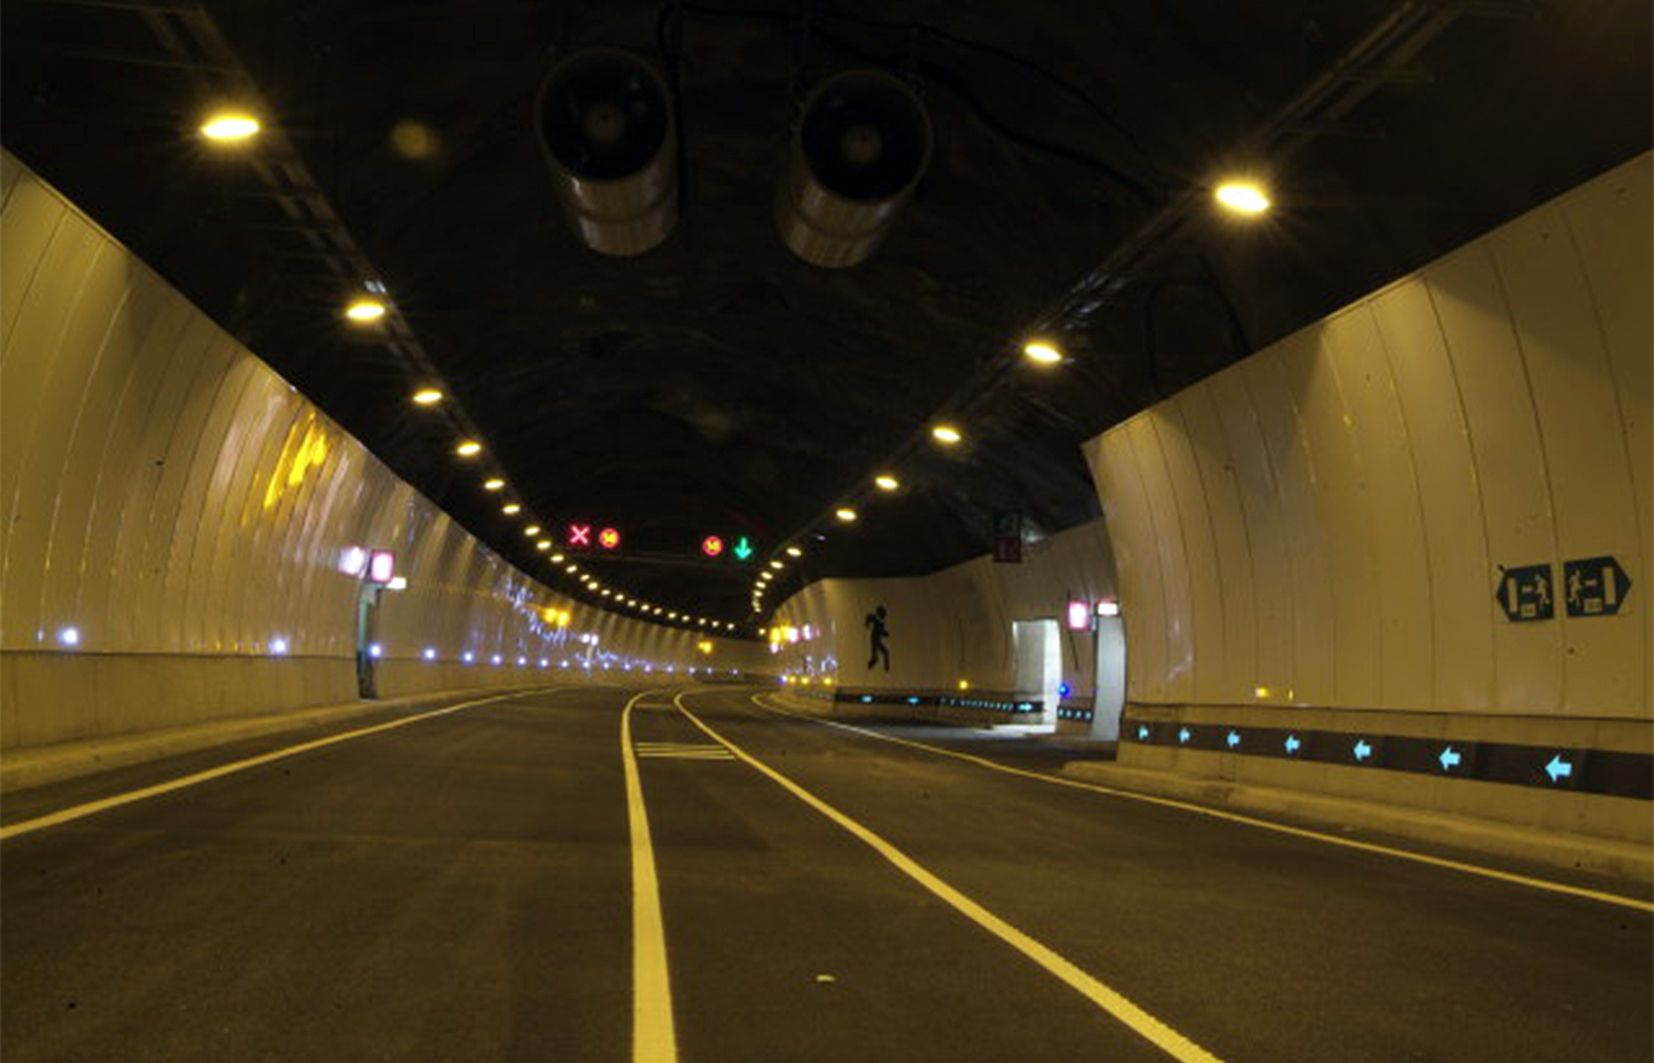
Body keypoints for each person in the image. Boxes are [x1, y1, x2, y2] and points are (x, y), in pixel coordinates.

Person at [865, 604, 890, 672]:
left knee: (885, 653)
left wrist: (885, 633)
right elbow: (869, 616)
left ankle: (886, 668)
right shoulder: (875, 618)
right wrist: (867, 624)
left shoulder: (881, 622)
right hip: (874, 639)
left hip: (877, 639)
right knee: (876, 656)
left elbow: (881, 631)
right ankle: (870, 665)